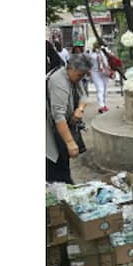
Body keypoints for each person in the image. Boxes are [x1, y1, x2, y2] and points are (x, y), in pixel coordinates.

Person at [46, 54, 92, 184]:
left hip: (62, 127)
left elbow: (83, 96)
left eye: (83, 75)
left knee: (63, 164)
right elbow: (58, 115)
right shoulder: (58, 81)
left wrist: (80, 109)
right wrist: (70, 142)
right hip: (51, 129)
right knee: (55, 168)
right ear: (70, 68)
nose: (81, 78)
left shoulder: (74, 78)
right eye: (79, 75)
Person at [89, 42, 112, 113]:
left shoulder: (106, 53)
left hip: (105, 73)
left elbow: (109, 61)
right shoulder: (92, 55)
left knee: (104, 89)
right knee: (100, 89)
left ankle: (103, 104)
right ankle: (101, 105)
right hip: (96, 73)